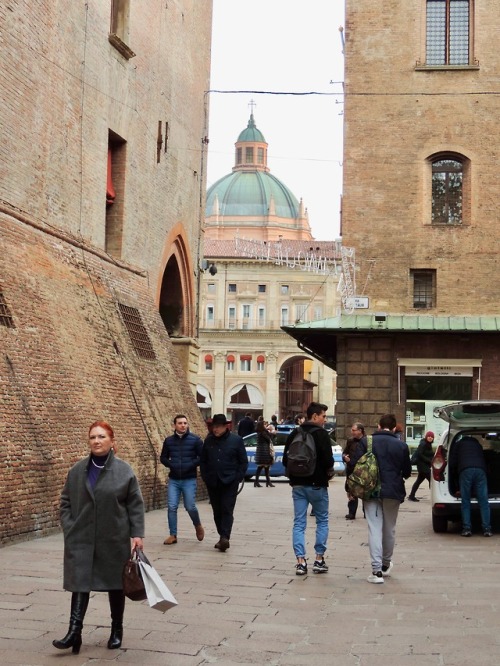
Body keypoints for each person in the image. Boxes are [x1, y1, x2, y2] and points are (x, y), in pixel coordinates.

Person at [53, 421, 145, 654]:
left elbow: (135, 504)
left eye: (102, 436)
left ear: (112, 441)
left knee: (116, 585)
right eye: (93, 437)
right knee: (80, 583)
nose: (97, 441)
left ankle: (116, 630)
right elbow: (65, 501)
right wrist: (69, 526)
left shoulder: (124, 471)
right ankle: (74, 633)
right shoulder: (77, 470)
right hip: (81, 537)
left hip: (113, 537)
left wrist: (136, 534)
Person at [351, 413, 411, 584]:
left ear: (378, 426)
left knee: (374, 528)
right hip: (393, 491)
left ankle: (376, 571)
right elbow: (407, 471)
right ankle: (385, 564)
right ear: (394, 428)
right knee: (389, 528)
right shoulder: (401, 445)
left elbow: (355, 464)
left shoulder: (366, 442)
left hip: (371, 491)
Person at [283, 402, 334, 576]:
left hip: (298, 485)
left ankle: (300, 561)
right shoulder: (322, 435)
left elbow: (285, 460)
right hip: (317, 484)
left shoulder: (294, 433)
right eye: (323, 416)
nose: (325, 420)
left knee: (299, 523)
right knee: (322, 520)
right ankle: (319, 559)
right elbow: (329, 461)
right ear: (314, 416)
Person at [200, 414, 248, 551]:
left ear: (225, 427)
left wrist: (238, 477)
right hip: (213, 481)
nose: (216, 430)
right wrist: (205, 476)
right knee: (217, 510)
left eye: (218, 427)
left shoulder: (236, 440)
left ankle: (225, 537)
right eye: (214, 427)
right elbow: (203, 460)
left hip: (229, 481)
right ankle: (222, 534)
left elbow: (243, 461)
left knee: (227, 508)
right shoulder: (208, 441)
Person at [160, 414, 205, 545]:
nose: (183, 425)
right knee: (172, 506)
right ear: (174, 425)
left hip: (189, 479)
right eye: (180, 423)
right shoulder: (168, 441)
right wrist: (170, 464)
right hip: (174, 479)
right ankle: (173, 534)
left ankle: (197, 525)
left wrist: (190, 464)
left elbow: (202, 457)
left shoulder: (195, 440)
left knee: (190, 506)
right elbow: (163, 457)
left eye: (185, 423)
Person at [449, 435, 492, 537]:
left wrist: (454, 473)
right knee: (483, 501)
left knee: (466, 501)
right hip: (480, 470)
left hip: (466, 470)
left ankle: (467, 529)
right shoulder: (478, 445)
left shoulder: (458, 444)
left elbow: (452, 462)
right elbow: (485, 459)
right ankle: (487, 529)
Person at [343, 422, 367, 520]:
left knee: (365, 492)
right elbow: (345, 452)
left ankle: (367, 512)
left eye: (354, 430)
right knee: (351, 491)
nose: (352, 432)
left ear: (360, 431)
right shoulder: (350, 441)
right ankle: (351, 512)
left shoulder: (367, 441)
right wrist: (344, 457)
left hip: (363, 470)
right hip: (351, 469)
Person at [408, 431, 435, 501]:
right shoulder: (423, 444)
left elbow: (429, 454)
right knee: (431, 480)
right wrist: (429, 461)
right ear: (426, 437)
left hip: (424, 466)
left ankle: (411, 495)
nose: (430, 438)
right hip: (422, 466)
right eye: (429, 436)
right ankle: (434, 497)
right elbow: (420, 454)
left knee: (418, 481)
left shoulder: (428, 444)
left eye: (432, 437)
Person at [254, 419, 275, 488]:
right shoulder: (263, 432)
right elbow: (269, 439)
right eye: (264, 424)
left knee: (261, 467)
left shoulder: (259, 432)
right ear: (261, 426)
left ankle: (258, 482)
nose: (266, 425)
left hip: (261, 452)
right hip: (264, 451)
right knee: (265, 467)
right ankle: (267, 482)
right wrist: (271, 431)